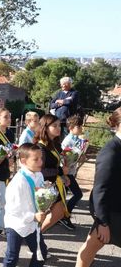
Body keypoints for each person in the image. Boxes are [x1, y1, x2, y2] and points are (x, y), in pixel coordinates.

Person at [76, 107, 121, 266]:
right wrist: (102, 222)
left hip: (115, 210)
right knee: (90, 247)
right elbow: (100, 188)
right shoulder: (111, 151)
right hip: (111, 213)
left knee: (90, 247)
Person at [3, 143, 48, 267]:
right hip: (16, 224)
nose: (40, 162)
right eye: (36, 159)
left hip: (32, 224)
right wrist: (33, 216)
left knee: (41, 253)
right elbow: (13, 210)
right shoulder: (18, 182)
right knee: (12, 256)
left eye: (41, 158)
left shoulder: (39, 175)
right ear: (23, 161)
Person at [34, 114, 70, 233]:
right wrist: (60, 171)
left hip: (53, 184)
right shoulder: (40, 147)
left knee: (59, 213)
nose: (59, 128)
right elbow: (40, 170)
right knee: (43, 216)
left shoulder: (53, 144)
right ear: (45, 127)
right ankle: (35, 239)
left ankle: (37, 237)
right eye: (55, 125)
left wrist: (63, 176)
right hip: (44, 186)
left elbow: (53, 165)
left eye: (59, 125)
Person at [0, 107, 15, 237]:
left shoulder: (10, 133)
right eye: (6, 117)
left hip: (5, 170)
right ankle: (0, 227)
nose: (9, 119)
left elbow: (12, 149)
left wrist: (12, 158)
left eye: (9, 117)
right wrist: (4, 157)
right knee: (0, 200)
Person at [59, 115, 85, 231]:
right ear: (71, 127)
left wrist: (81, 156)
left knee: (60, 196)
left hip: (71, 171)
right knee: (78, 194)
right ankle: (65, 216)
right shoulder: (68, 140)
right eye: (78, 126)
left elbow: (76, 156)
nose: (81, 128)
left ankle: (59, 216)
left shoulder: (78, 139)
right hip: (66, 172)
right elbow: (64, 157)